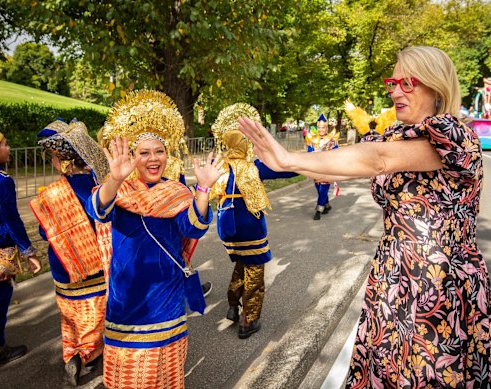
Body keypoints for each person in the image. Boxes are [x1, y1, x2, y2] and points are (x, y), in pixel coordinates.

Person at [238, 46, 491, 388]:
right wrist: (287, 163)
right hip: (393, 280)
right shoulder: (397, 136)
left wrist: (288, 159)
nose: (394, 91)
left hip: (438, 289)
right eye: (393, 82)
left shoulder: (455, 137)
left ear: (436, 86)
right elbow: (348, 166)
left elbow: (378, 160)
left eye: (408, 82)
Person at [85, 90, 223, 389]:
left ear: (167, 155)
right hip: (128, 298)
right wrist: (116, 179)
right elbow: (97, 210)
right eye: (143, 152)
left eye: (158, 151)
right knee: (127, 375)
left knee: (165, 375)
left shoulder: (175, 191)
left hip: (166, 296)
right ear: (133, 157)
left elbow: (194, 228)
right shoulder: (120, 190)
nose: (152, 159)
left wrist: (203, 190)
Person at [29, 119, 109, 385]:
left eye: (52, 157)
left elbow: (45, 233)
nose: (51, 162)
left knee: (70, 314)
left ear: (63, 161)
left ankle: (72, 353)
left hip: (62, 264)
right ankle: (89, 353)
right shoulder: (99, 186)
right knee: (94, 313)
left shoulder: (51, 194)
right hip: (93, 262)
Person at [210, 103, 298, 339]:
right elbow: (287, 169)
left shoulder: (221, 168)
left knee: (240, 265)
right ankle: (249, 320)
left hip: (230, 230)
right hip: (252, 231)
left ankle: (232, 305)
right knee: (255, 275)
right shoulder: (254, 168)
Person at [0, 112, 41, 369]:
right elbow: (12, 220)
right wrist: (29, 251)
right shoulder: (0, 181)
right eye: (4, 145)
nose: (8, 148)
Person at [305, 114, 340, 220]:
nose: (321, 129)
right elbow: (309, 152)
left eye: (323, 127)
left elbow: (336, 152)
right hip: (316, 169)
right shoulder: (312, 139)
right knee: (319, 189)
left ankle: (318, 210)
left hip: (327, 169)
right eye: (319, 127)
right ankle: (327, 204)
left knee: (323, 189)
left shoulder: (332, 139)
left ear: (326, 127)